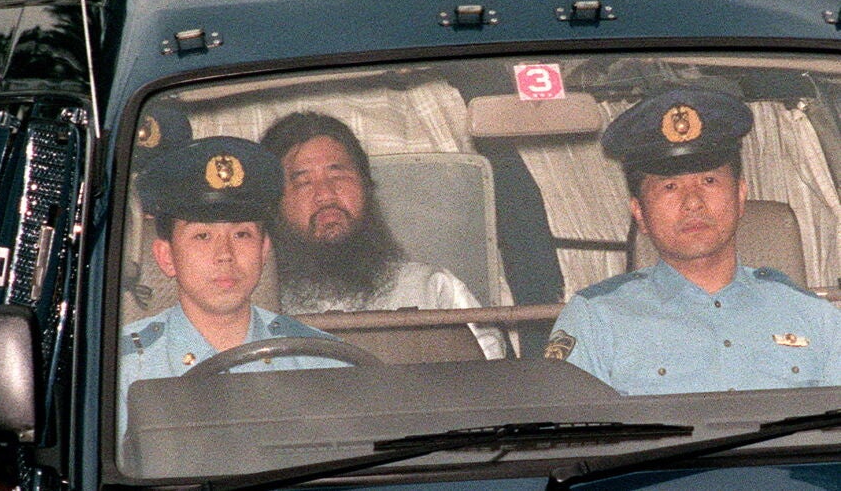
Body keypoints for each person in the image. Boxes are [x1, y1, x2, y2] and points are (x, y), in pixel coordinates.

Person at [544, 88, 841, 394]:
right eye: (670, 187)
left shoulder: (815, 319)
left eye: (709, 181)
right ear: (640, 213)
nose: (693, 202)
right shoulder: (596, 320)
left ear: (740, 196)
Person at [118, 134, 346, 440]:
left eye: (241, 235)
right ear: (166, 257)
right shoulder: (123, 370)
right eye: (203, 236)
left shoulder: (321, 360)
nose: (225, 255)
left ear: (263, 251)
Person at [260, 112, 506, 359]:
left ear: (366, 186)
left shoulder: (431, 289)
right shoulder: (255, 310)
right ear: (274, 203)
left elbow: (490, 375)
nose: (325, 194)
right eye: (303, 182)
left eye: (337, 175)